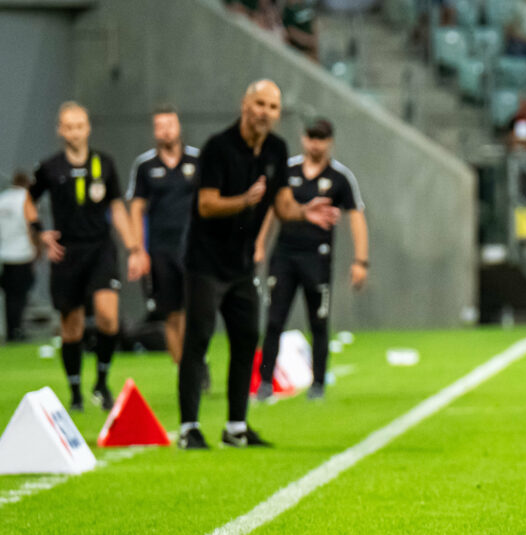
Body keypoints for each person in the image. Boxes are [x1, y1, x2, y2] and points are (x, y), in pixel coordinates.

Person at [177, 80, 340, 450]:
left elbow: (281, 204)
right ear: (245, 105)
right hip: (205, 262)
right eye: (260, 104)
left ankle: (236, 427)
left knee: (247, 338)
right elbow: (206, 204)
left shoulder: (276, 149)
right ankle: (189, 428)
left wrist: (305, 212)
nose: (266, 112)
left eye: (273, 107)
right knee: (198, 339)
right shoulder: (218, 147)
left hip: (241, 265)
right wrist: (244, 201)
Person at [28, 102, 146, 411]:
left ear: (88, 128)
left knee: (108, 316)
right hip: (68, 252)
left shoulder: (104, 163)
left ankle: (102, 382)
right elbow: (29, 199)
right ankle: (76, 391)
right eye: (69, 127)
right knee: (72, 326)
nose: (75, 132)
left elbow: (117, 207)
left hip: (100, 248)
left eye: (79, 126)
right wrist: (40, 233)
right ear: (60, 130)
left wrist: (134, 248)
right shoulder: (50, 168)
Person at [254, 118, 368, 402]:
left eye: (321, 139)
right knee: (274, 320)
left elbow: (356, 216)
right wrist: (259, 244)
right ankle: (266, 382)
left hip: (317, 258)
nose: (316, 144)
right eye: (311, 137)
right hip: (284, 255)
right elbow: (273, 209)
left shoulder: (340, 177)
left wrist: (361, 260)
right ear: (303, 138)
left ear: (330, 142)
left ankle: (318, 383)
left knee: (318, 321)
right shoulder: (288, 170)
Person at [126, 105, 201, 367]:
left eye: (170, 124)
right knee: (171, 313)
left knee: (195, 310)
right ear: (154, 131)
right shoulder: (145, 165)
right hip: (160, 250)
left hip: (193, 249)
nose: (166, 131)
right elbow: (136, 209)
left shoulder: (197, 160)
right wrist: (138, 250)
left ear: (179, 126)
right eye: (160, 126)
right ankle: (183, 370)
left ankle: (195, 362)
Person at [0, 172, 39, 342]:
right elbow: (32, 226)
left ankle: (11, 329)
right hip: (23, 254)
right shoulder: (26, 199)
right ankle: (17, 329)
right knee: (20, 295)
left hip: (5, 254)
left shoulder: (2, 199)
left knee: (9, 296)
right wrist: (37, 249)